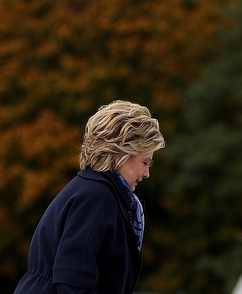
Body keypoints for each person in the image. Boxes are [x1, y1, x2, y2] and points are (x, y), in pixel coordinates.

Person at [14, 100, 165, 294]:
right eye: (145, 162)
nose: (146, 174)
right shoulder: (98, 197)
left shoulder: (93, 190)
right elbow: (73, 282)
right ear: (121, 154)